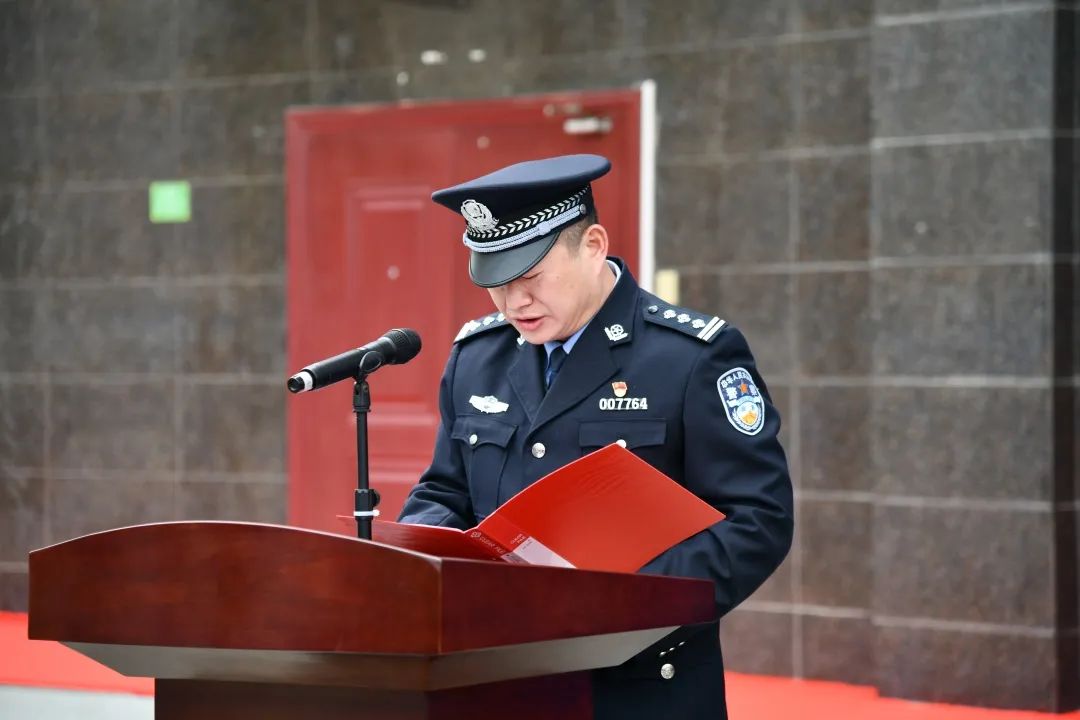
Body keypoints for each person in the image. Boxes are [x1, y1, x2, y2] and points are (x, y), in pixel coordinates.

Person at [398, 154, 793, 720]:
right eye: (495, 284)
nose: (514, 303)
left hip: (637, 684)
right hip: (496, 679)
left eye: (530, 277)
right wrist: (430, 559)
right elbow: (444, 493)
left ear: (593, 245)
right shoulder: (476, 358)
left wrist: (620, 601)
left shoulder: (690, 357)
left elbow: (758, 519)